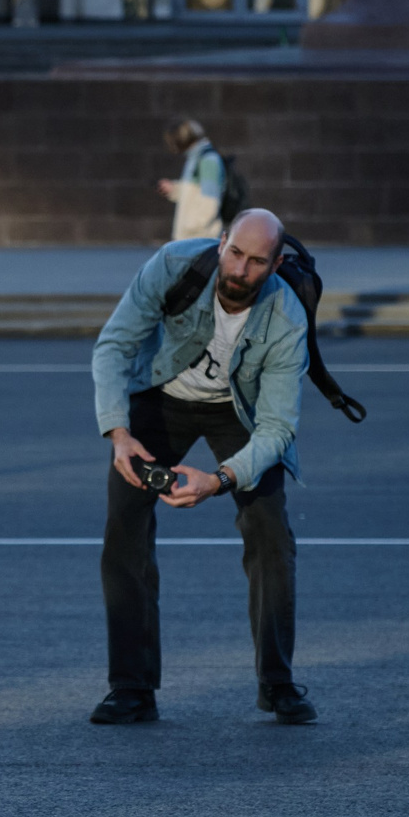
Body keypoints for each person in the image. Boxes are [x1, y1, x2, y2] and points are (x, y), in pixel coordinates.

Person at [91, 207, 317, 727]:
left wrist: (218, 481)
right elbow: (114, 346)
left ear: (277, 263)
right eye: (234, 253)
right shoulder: (174, 266)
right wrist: (118, 434)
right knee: (124, 529)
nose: (240, 271)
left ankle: (277, 683)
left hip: (238, 409)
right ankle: (131, 687)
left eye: (257, 262)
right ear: (221, 243)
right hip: (159, 397)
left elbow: (278, 429)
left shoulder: (287, 317)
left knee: (270, 533)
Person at [158, 118, 227, 241]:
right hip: (189, 237)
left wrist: (192, 227)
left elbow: (210, 201)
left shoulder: (208, 160)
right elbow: (192, 193)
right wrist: (173, 189)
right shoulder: (195, 158)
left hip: (200, 238)